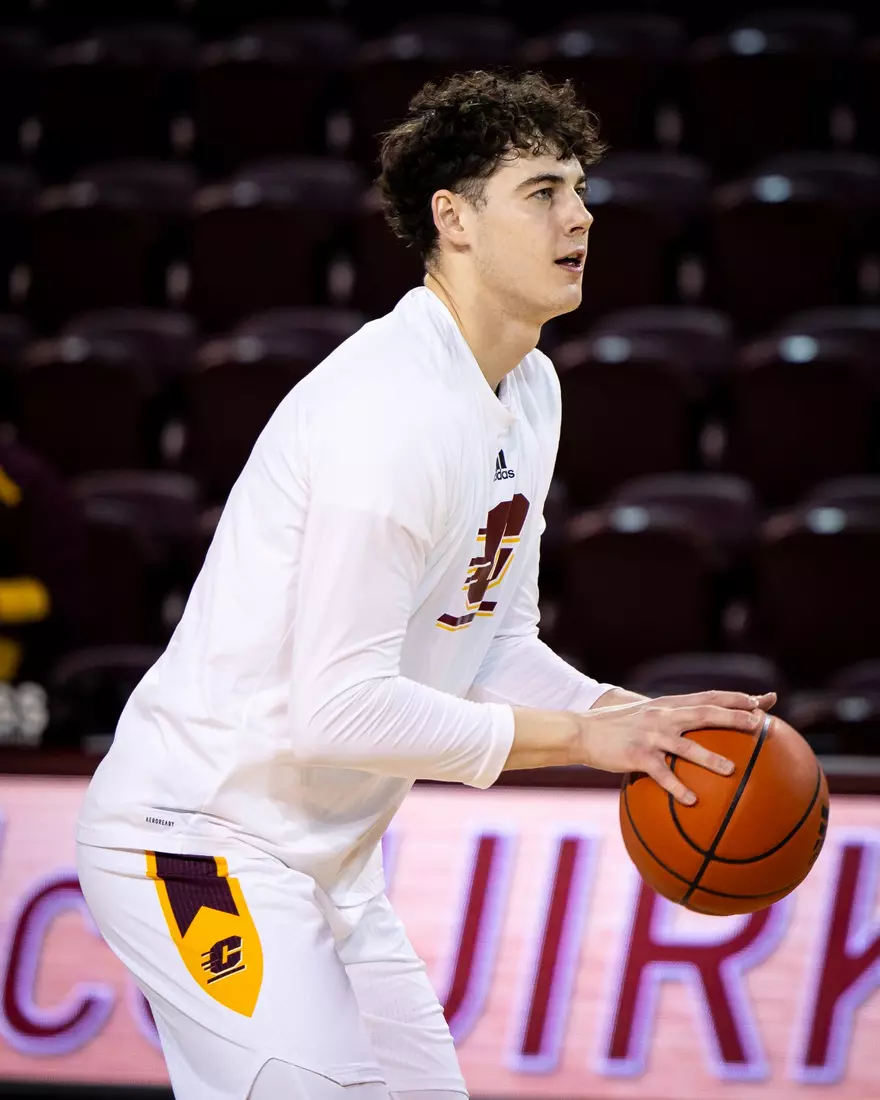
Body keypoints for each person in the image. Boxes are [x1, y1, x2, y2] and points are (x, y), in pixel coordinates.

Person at [75, 71, 775, 1100]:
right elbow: (341, 709)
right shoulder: (389, 411)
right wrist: (583, 740)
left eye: (579, 189)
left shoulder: (528, 387)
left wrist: (635, 717)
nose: (579, 215)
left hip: (325, 864)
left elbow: (493, 642)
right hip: (192, 843)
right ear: (451, 218)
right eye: (541, 191)